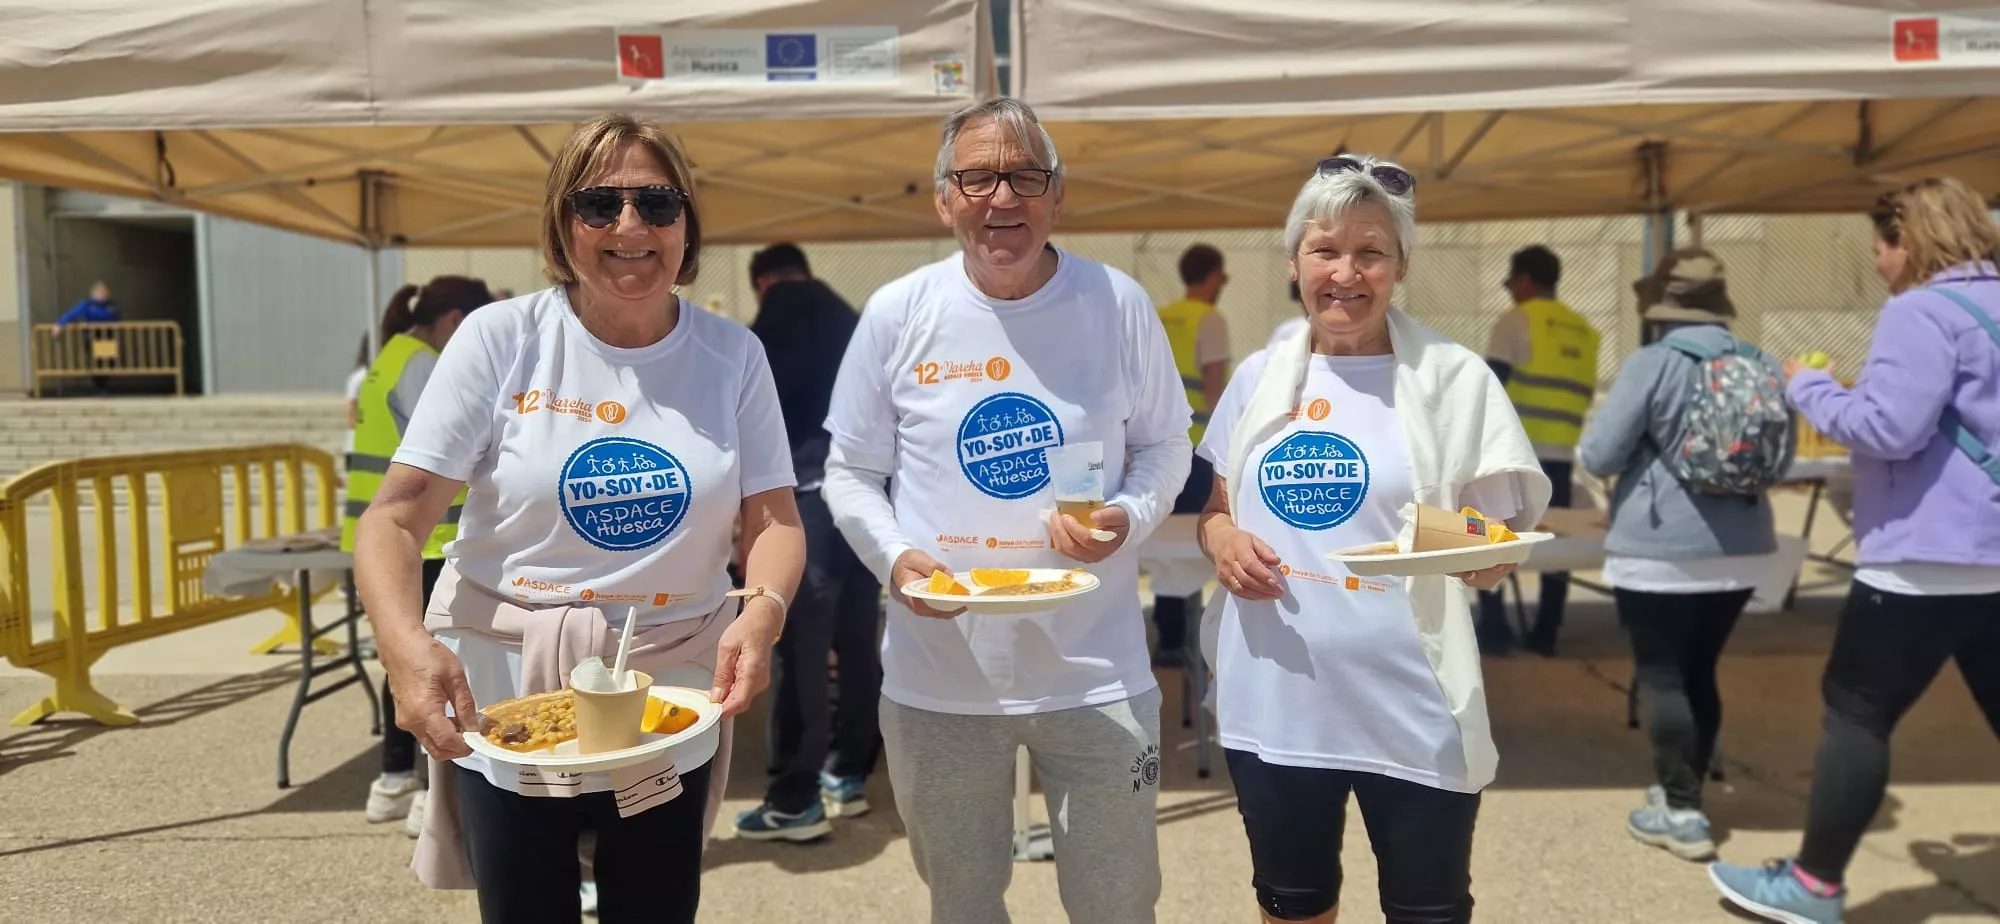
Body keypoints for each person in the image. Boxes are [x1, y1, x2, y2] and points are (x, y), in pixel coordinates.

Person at [353, 113, 805, 924]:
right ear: (563, 224)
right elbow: (391, 520)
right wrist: (404, 649)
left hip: (665, 685)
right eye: (600, 204)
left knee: (653, 908)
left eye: (657, 204)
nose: (630, 225)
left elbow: (773, 520)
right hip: (507, 680)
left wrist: (764, 611)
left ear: (686, 225)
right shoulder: (502, 339)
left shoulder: (732, 355)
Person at [822, 97, 1191, 924]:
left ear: (1058, 196)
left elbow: (1171, 446)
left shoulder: (1118, 303)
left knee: (1118, 904)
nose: (1003, 199)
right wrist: (894, 557)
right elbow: (850, 471)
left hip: (1097, 676)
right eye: (979, 176)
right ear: (944, 198)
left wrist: (1127, 518)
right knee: (962, 903)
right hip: (940, 678)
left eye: (1026, 176)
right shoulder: (899, 311)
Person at [1195, 154, 1549, 924]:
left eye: (1370, 252)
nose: (1345, 273)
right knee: (1294, 908)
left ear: (1400, 267)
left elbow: (1496, 549)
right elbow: (1218, 507)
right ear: (1295, 264)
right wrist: (1221, 540)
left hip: (1413, 707)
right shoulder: (1259, 379)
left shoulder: (1455, 381)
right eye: (1325, 250)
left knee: (1428, 912)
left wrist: (1469, 547)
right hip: (1279, 707)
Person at [1710, 177, 2000, 924]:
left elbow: (1887, 429)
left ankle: (1813, 886)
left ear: (1910, 241)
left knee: (1857, 714)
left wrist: (1808, 388)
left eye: (1881, 246)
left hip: (1920, 559)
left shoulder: (1920, 311)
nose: (1877, 263)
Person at [1576, 250, 1787, 863]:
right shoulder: (1761, 361)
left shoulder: (1653, 363)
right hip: (1745, 546)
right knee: (1700, 671)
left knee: (1663, 675)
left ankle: (1683, 812)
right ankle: (1684, 789)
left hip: (1660, 547)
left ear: (1662, 308)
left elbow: (1600, 455)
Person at [734, 242, 885, 842]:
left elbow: (755, 401)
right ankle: (849, 770)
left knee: (796, 642)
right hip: (863, 497)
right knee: (855, 638)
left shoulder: (778, 314)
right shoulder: (850, 315)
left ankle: (795, 795)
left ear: (762, 281)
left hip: (803, 498)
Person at [346, 275, 496, 838]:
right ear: (457, 322)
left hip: (385, 540)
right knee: (433, 668)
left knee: (405, 662)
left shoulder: (389, 354)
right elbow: (447, 451)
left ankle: (391, 781)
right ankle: (426, 796)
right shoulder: (425, 365)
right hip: (420, 542)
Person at [1479, 245, 1600, 655]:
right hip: (1562, 454)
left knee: (1490, 534)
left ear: (1526, 280)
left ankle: (1495, 629)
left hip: (1516, 451)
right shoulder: (1584, 329)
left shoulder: (1517, 320)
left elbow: (1491, 385)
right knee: (1556, 541)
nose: (1511, 291)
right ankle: (1547, 631)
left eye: (1511, 283)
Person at [1151, 244, 1232, 667]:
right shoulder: (1210, 320)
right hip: (1201, 447)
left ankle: (1168, 638)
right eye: (1224, 277)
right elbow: (1216, 389)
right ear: (1213, 275)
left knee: (1164, 541)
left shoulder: (1162, 317)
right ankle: (1204, 635)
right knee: (1198, 539)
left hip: (1163, 446)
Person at [55, 281, 121, 393]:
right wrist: (60, 324)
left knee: (110, 361)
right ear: (93, 293)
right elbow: (72, 313)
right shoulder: (87, 304)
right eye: (100, 292)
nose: (103, 294)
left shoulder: (111, 306)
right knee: (97, 361)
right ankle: (100, 386)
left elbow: (117, 319)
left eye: (104, 292)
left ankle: (104, 383)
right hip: (93, 335)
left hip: (108, 336)